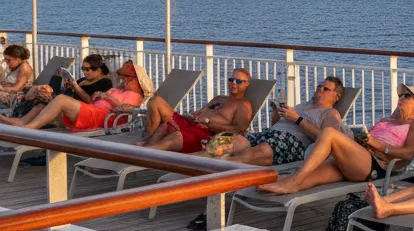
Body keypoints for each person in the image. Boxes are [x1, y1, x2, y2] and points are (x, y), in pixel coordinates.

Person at [257, 83, 414, 196]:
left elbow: (408, 153)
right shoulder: (386, 120)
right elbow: (371, 140)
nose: (401, 98)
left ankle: (293, 181)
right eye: (401, 95)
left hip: (377, 166)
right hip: (359, 157)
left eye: (407, 96)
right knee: (311, 177)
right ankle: (284, 184)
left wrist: (379, 146)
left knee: (329, 132)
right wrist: (364, 139)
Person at [207, 76, 345, 165]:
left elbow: (327, 140)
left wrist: (297, 119)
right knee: (225, 141)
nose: (320, 90)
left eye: (325, 89)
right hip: (270, 134)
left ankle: (214, 170)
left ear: (336, 96)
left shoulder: (330, 113)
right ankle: (193, 161)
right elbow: (275, 125)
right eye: (319, 87)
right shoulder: (302, 106)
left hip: (292, 143)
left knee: (257, 151)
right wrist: (277, 113)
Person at [4, 60, 152, 131]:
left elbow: (125, 108)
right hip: (92, 110)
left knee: (61, 100)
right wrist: (99, 95)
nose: (124, 80)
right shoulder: (120, 89)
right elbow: (107, 99)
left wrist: (107, 97)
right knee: (42, 104)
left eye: (127, 78)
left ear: (136, 81)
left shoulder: (134, 94)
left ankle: (29, 129)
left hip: (102, 118)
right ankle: (20, 122)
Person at [138, 67, 254, 152]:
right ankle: (149, 146)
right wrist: (197, 114)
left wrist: (209, 123)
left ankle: (144, 153)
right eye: (231, 80)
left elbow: (239, 130)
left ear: (247, 84)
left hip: (208, 133)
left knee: (177, 136)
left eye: (238, 81)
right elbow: (203, 111)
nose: (233, 83)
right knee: (156, 102)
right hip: (193, 123)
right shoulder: (219, 98)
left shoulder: (243, 105)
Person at [0, 44, 33, 109]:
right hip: (8, 94)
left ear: (18, 59)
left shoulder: (24, 68)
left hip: (17, 98)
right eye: (5, 59)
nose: (6, 62)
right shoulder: (14, 66)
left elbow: (17, 89)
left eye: (9, 60)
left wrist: (1, 88)